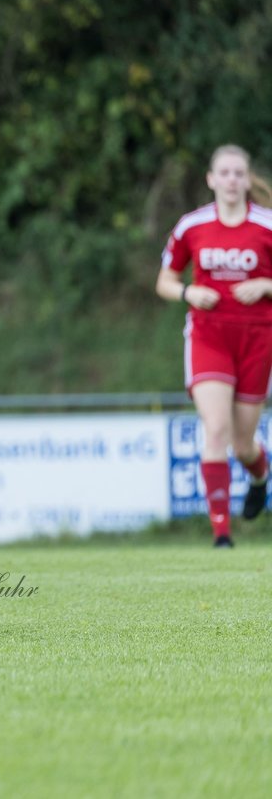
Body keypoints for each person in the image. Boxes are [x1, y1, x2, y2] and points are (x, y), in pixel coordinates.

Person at [156, 144, 272, 548]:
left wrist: (265, 285)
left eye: (239, 173)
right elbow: (164, 282)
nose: (231, 180)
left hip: (257, 338)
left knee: (243, 443)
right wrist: (188, 292)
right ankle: (222, 533)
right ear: (211, 179)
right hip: (209, 337)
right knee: (216, 429)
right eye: (224, 173)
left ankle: (260, 475)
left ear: (247, 179)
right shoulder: (192, 226)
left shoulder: (266, 225)